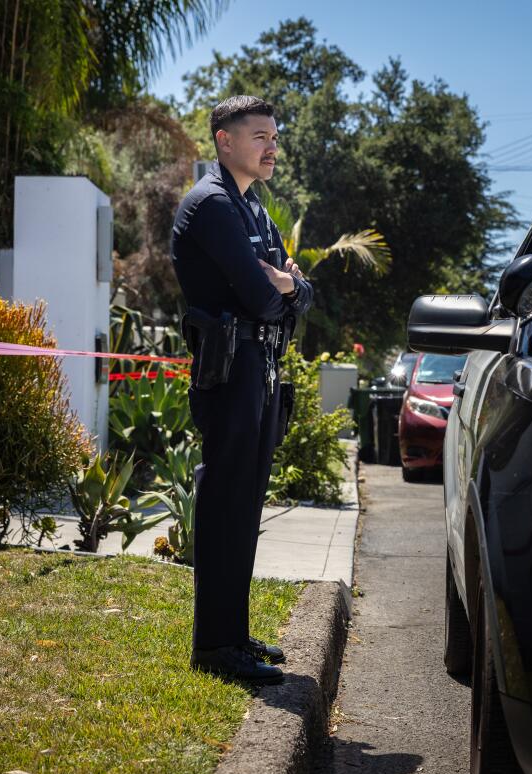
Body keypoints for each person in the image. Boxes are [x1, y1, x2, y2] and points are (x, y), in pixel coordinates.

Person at [170, 95, 313, 684]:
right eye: (260, 136)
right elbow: (261, 297)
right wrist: (280, 284)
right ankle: (213, 645)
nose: (271, 147)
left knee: (245, 504)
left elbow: (302, 297)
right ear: (225, 141)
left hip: (259, 367)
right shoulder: (211, 204)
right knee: (226, 502)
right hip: (228, 370)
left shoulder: (253, 208)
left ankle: (233, 632)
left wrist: (286, 285)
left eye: (274, 137)